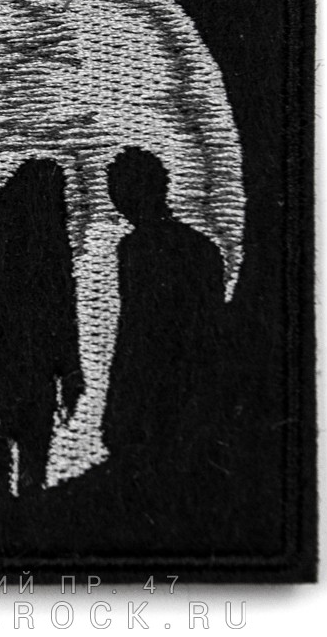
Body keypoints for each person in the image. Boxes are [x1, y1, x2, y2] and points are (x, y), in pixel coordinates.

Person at [0, 159, 84, 500]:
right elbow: (64, 321)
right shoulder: (52, 255)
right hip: (37, 376)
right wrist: (69, 373)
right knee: (32, 474)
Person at [102, 147, 226, 471]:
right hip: (191, 378)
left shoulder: (136, 249)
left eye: (119, 191)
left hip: (160, 377)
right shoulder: (203, 247)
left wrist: (119, 404)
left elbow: (134, 329)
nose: (117, 201)